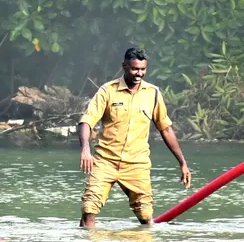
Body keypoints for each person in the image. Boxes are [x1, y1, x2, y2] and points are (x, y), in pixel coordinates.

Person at [77, 47, 191, 228]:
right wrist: (85, 150)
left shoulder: (152, 93)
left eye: (143, 69)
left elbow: (166, 129)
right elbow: (86, 122)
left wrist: (182, 162)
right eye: (134, 69)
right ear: (124, 66)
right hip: (105, 161)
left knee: (146, 218)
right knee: (89, 211)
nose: (139, 74)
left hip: (137, 163)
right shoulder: (108, 91)